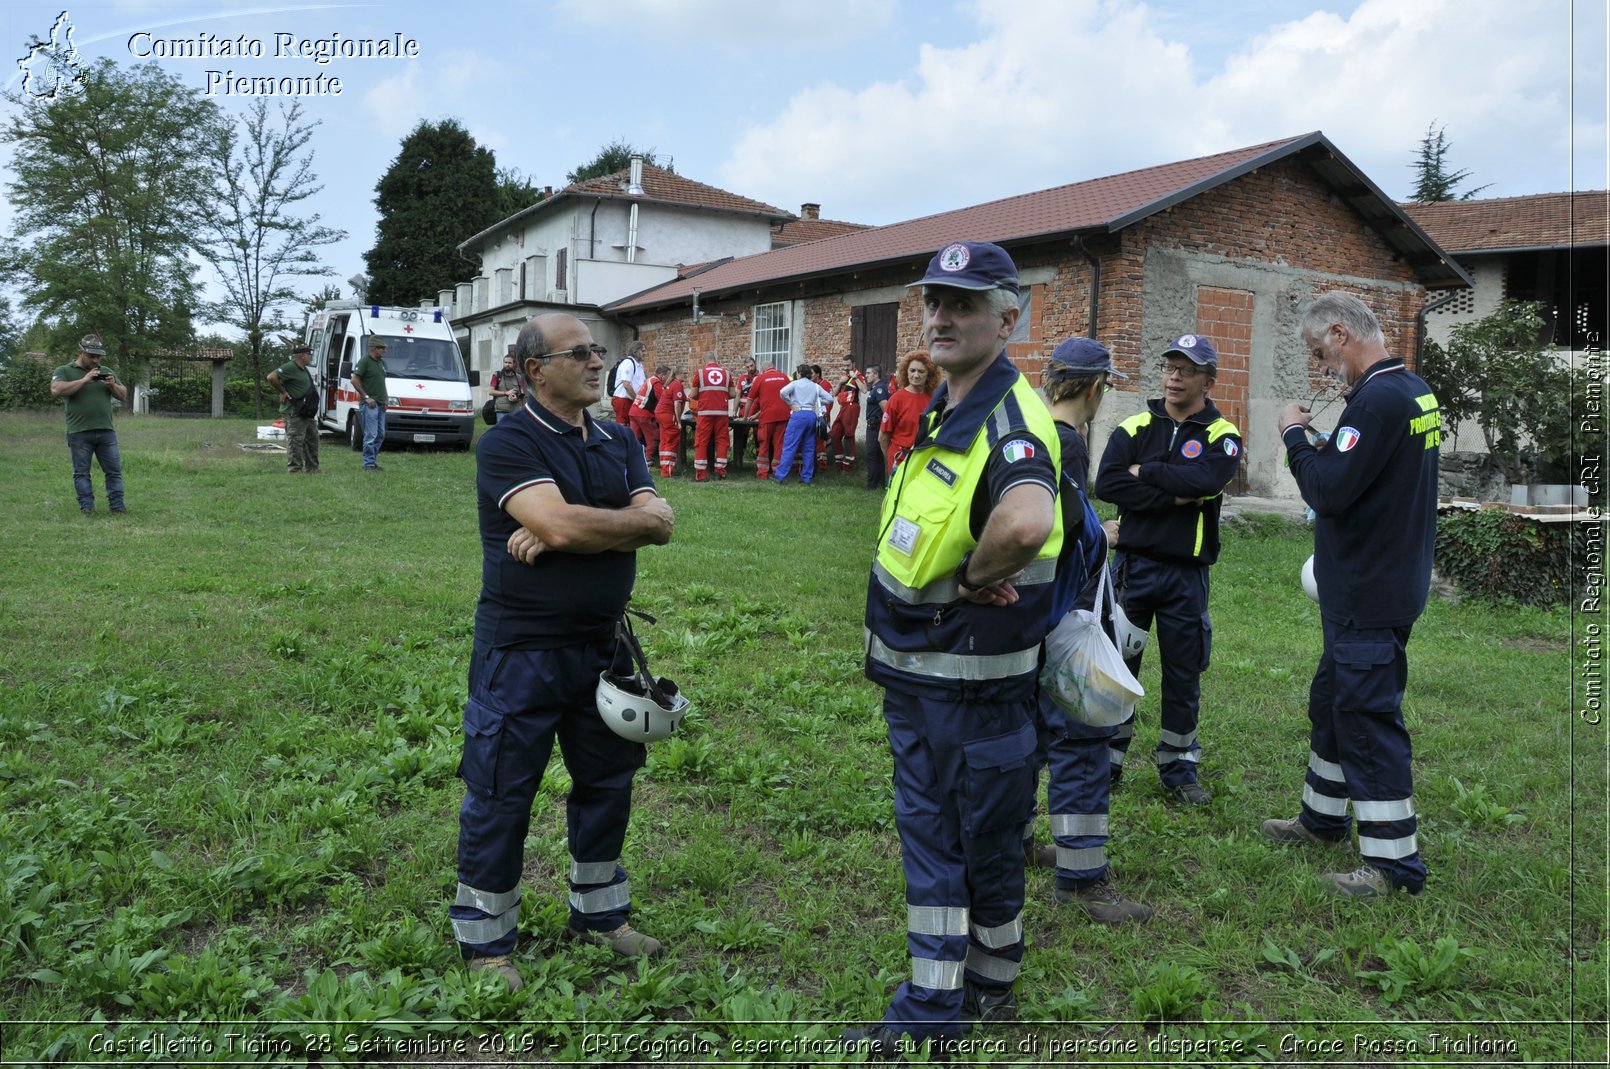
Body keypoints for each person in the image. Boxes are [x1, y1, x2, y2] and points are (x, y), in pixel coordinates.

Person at [851, 242, 1063, 1055]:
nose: (941, 316)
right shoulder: (953, 402)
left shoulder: (1007, 419)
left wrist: (977, 577)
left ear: (1008, 320)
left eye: (964, 304)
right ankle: (992, 984)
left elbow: (1027, 521)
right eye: (934, 301)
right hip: (955, 678)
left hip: (960, 685)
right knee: (991, 840)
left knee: (939, 847)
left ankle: (930, 1018)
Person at [449, 313, 676, 990]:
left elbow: (661, 522)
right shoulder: (508, 442)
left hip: (602, 650)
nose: (597, 359)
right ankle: (488, 947)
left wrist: (569, 532)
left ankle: (601, 917)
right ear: (533, 370)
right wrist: (569, 527)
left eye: (598, 349)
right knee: (500, 794)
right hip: (520, 652)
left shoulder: (616, 439)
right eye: (579, 352)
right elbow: (561, 520)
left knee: (608, 785)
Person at [1261, 292, 1438, 897]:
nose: (1322, 367)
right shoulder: (1410, 391)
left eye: (1320, 352)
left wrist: (1292, 434)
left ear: (1340, 334)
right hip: (1385, 581)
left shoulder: (1378, 402)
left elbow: (1329, 491)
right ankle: (1321, 819)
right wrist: (1330, 436)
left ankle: (1394, 867)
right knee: (1333, 701)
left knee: (1365, 718)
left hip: (1368, 590)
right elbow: (1367, 474)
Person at [1024, 337, 1153, 924]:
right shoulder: (1069, 444)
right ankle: (1080, 877)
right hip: (1066, 616)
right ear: (1097, 388)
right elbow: (1065, 533)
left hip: (1025, 617)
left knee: (1028, 740)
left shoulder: (1026, 433)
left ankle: (1019, 842)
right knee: (1083, 739)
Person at [1093, 334, 1241, 805]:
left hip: (1185, 576)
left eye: (1188, 370)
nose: (1175, 376)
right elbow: (1108, 483)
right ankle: (1107, 760)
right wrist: (1177, 490)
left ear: (1208, 381)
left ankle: (1178, 768)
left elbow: (1208, 480)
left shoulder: (1223, 435)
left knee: (1183, 673)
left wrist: (1146, 473)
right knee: (1117, 667)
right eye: (1170, 367)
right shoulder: (1135, 425)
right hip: (1132, 568)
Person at [51, 333, 128, 515]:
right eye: (92, 356)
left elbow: (123, 394)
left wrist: (112, 386)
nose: (96, 360)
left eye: (98, 356)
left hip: (106, 431)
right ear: (81, 353)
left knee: (114, 471)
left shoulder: (106, 370)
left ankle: (117, 508)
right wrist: (84, 380)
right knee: (82, 473)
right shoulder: (64, 370)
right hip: (79, 432)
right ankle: (87, 508)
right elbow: (56, 390)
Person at [771, 366, 833, 485]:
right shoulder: (815, 385)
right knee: (809, 448)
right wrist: (817, 403)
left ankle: (780, 476)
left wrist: (790, 403)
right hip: (811, 415)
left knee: (790, 445)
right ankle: (807, 477)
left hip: (798, 414)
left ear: (799, 373)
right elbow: (829, 399)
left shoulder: (795, 384)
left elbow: (783, 392)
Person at [879, 350, 937, 476]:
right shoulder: (896, 399)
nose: (916, 375)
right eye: (912, 370)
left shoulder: (933, 400)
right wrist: (891, 459)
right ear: (906, 372)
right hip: (899, 459)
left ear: (929, 375)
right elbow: (883, 438)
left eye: (921, 371)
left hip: (923, 460)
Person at [267, 344, 321, 473]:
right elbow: (271, 377)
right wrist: (283, 391)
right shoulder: (290, 367)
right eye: (309, 354)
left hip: (306, 412)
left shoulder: (303, 369)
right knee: (295, 442)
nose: (310, 357)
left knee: (312, 440)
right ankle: (295, 469)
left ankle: (312, 468)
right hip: (294, 412)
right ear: (301, 355)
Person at [692, 354, 736, 481]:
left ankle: (700, 474)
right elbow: (733, 393)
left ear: (705, 361)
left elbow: (694, 394)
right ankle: (720, 472)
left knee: (701, 441)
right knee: (722, 440)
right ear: (716, 360)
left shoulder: (700, 373)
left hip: (705, 412)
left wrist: (705, 395)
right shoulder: (726, 373)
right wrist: (720, 395)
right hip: (722, 412)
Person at [744, 362, 791, 479]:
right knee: (779, 445)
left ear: (764, 369)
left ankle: (762, 473)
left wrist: (745, 417)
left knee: (764, 443)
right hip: (783, 416)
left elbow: (750, 399)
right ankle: (777, 472)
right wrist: (756, 414)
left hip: (767, 417)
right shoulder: (784, 377)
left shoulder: (761, 378)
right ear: (774, 367)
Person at [350, 337, 390, 471]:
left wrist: (386, 398)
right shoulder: (365, 361)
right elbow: (354, 379)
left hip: (380, 403)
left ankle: (372, 462)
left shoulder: (381, 363)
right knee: (371, 435)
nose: (384, 350)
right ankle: (368, 464)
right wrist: (366, 397)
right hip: (370, 405)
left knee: (380, 434)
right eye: (382, 348)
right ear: (373, 348)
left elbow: (382, 382)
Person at [828, 357, 864, 473]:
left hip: (852, 406)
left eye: (848, 365)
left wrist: (855, 377)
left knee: (849, 434)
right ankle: (839, 462)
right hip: (842, 407)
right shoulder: (843, 376)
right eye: (844, 365)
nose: (846, 367)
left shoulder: (858, 375)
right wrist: (840, 382)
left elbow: (864, 390)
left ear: (853, 363)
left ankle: (848, 466)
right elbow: (834, 393)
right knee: (834, 434)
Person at [628, 364, 666, 468]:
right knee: (653, 437)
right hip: (644, 414)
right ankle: (648, 459)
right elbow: (662, 400)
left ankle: (632, 459)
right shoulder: (657, 383)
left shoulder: (649, 380)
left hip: (634, 411)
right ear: (662, 375)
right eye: (668, 376)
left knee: (635, 438)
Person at [864, 365, 890, 491]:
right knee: (877, 455)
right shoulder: (875, 388)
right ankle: (880, 483)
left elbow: (886, 409)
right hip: (874, 424)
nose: (866, 375)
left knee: (871, 454)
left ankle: (872, 485)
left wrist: (882, 427)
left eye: (869, 373)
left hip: (876, 425)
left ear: (876, 374)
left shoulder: (879, 389)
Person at [657, 367, 687, 478]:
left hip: (661, 414)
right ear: (678, 374)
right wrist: (679, 421)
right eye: (684, 373)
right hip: (668, 415)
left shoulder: (673, 384)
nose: (686, 375)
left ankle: (664, 469)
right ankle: (668, 472)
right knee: (671, 441)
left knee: (665, 441)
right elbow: (677, 404)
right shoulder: (677, 384)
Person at [611, 342, 646, 428]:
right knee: (622, 426)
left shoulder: (639, 365)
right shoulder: (628, 363)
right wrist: (636, 399)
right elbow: (626, 384)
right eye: (643, 351)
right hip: (623, 399)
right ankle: (620, 441)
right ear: (635, 351)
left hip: (630, 400)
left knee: (630, 427)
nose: (645, 353)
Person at [489, 352, 524, 424]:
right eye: (505, 362)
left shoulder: (519, 377)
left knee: (516, 432)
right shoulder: (497, 375)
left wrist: (517, 398)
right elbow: (491, 392)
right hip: (502, 410)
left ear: (514, 364)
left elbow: (522, 394)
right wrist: (506, 393)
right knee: (502, 432)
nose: (507, 364)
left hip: (516, 410)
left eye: (510, 363)